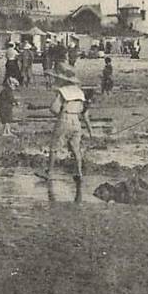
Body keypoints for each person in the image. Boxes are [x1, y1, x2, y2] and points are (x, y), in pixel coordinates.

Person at [41, 62, 94, 200]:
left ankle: (50, 173)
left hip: (65, 118)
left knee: (54, 147)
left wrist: (59, 115)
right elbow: (85, 113)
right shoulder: (80, 93)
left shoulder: (63, 92)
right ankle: (79, 172)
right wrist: (90, 130)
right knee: (76, 149)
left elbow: (53, 108)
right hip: (77, 121)